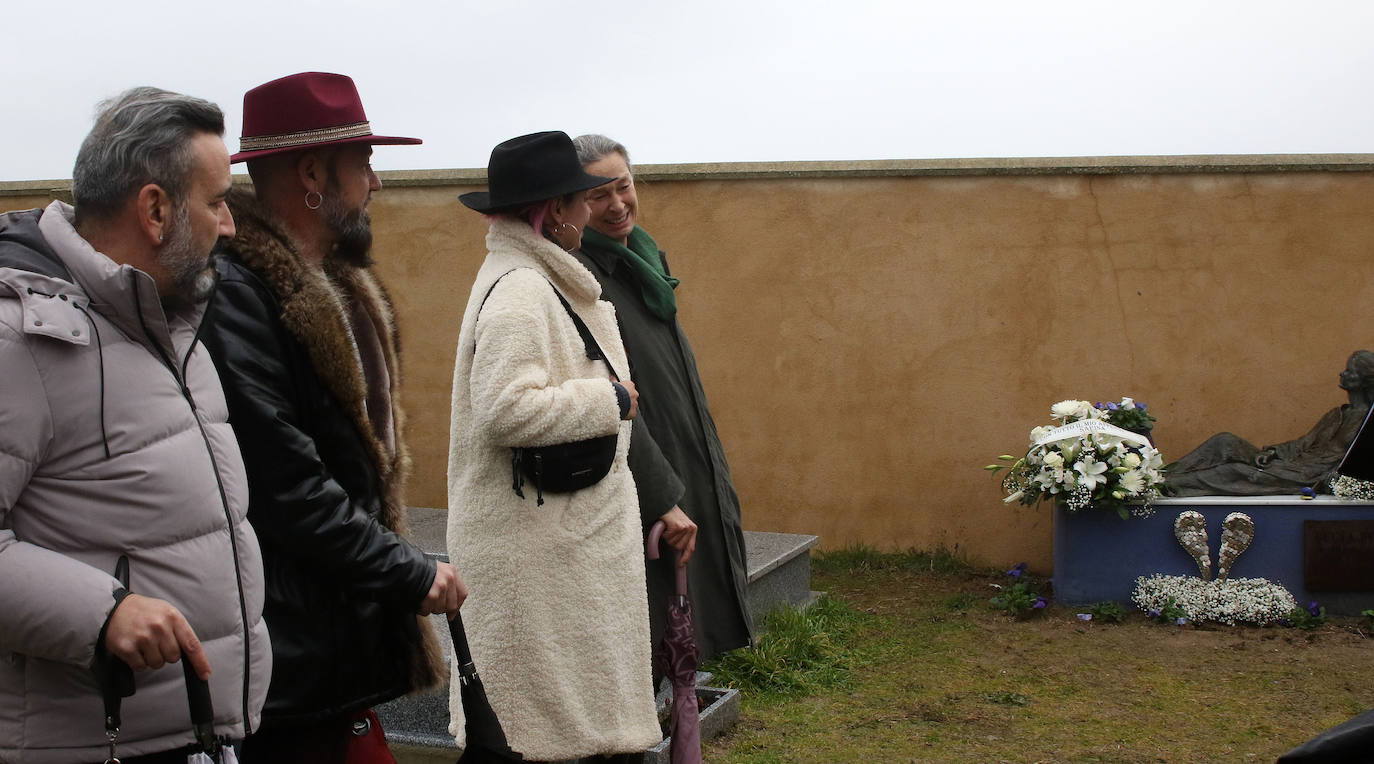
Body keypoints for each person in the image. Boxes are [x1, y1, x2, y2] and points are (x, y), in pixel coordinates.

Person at [0, 87, 269, 762]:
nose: (230, 225)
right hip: (89, 743)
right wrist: (102, 610)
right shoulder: (19, 338)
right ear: (155, 209)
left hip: (197, 733)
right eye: (216, 202)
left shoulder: (173, 327)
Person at [199, 72, 463, 761]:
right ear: (313, 172)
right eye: (364, 163)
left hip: (336, 636)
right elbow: (284, 484)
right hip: (289, 649)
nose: (375, 183)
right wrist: (406, 572)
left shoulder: (338, 287)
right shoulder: (238, 297)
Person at [446, 131, 662, 762]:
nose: (588, 211)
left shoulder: (534, 277)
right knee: (541, 740)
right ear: (555, 210)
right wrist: (611, 402)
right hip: (540, 555)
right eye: (577, 200)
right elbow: (506, 408)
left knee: (567, 732)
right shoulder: (520, 291)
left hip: (561, 546)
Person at [571, 134, 753, 661]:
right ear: (575, 205)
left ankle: (680, 716)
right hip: (645, 487)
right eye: (598, 196)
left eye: (623, 187)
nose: (616, 205)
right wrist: (661, 495)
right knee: (654, 627)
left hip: (687, 464)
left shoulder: (644, 266)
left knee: (689, 627)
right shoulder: (587, 281)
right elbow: (612, 399)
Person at [1167, 350, 1374, 496]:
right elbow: (1302, 443)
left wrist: (1331, 479)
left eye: (1350, 371)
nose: (1343, 373)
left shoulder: (1367, 422)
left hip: (1305, 476)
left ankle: (1168, 485)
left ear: (1364, 380)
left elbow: (1356, 464)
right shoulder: (1336, 414)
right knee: (1225, 441)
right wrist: (1274, 452)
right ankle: (1161, 476)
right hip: (1288, 463)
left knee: (1232, 472)